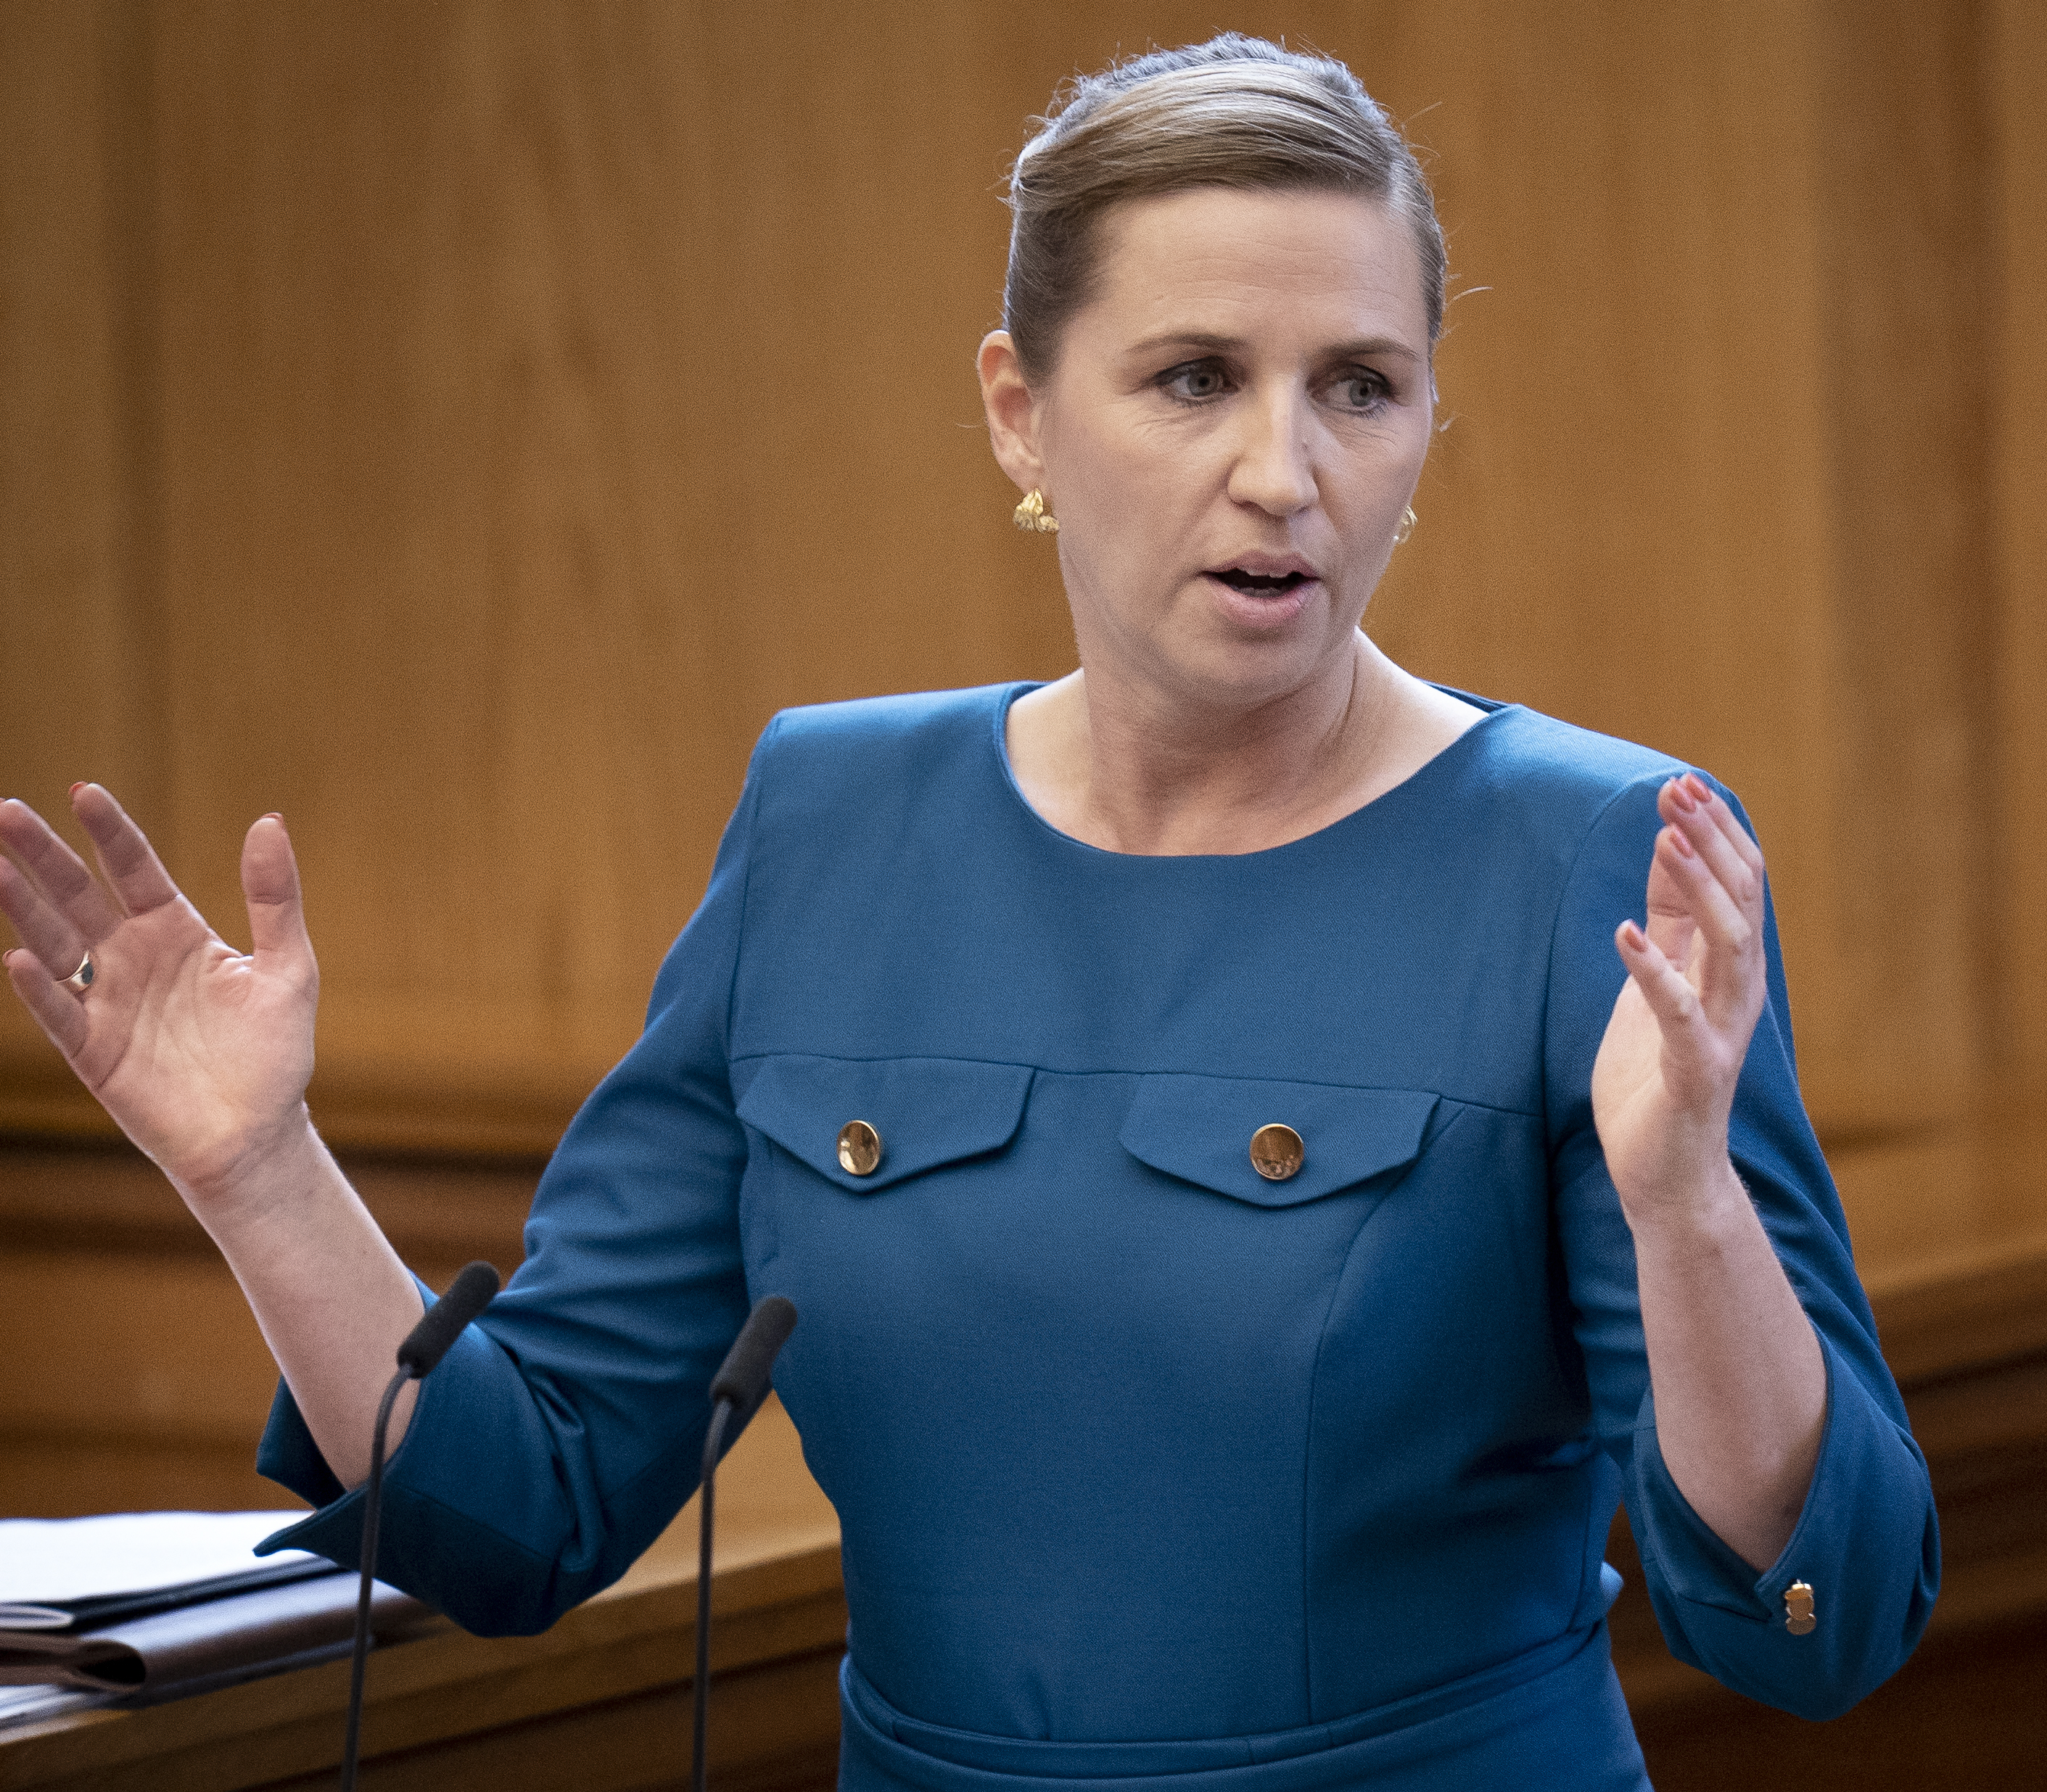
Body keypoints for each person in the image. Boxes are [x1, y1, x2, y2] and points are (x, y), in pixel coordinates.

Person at [0, 35, 1937, 1790]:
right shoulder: (833, 817)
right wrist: (261, 1174)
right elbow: (522, 1514)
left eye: (1361, 386)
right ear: (1020, 410)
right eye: (1194, 379)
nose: (1290, 473)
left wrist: (1685, 1212)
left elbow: (1815, 1625)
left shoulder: (1586, 857)